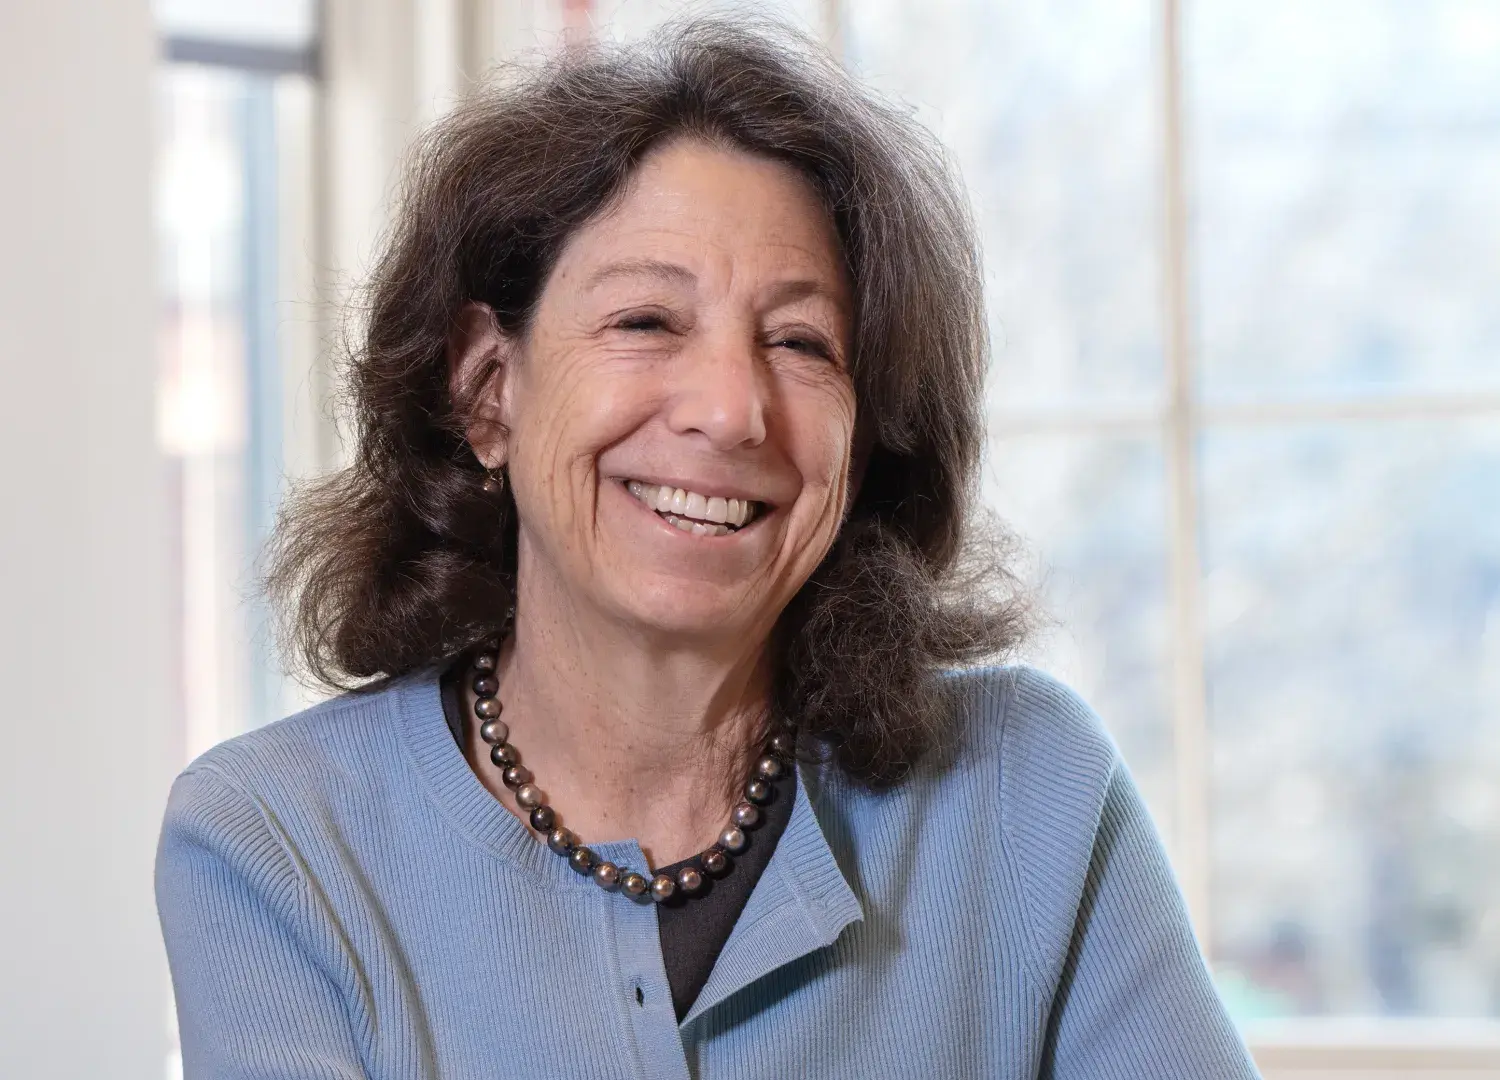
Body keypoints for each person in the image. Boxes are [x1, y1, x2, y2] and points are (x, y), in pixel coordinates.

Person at [156, 18, 1260, 1080]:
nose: (732, 410)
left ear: (866, 438)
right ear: (488, 389)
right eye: (646, 322)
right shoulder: (276, 844)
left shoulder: (1030, 790)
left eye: (799, 341)